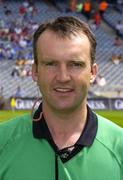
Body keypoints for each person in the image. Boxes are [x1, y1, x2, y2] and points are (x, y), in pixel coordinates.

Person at [0, 16, 123, 180]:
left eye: (75, 64)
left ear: (93, 73)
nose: (63, 77)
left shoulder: (119, 147)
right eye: (51, 64)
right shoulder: (3, 142)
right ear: (34, 71)